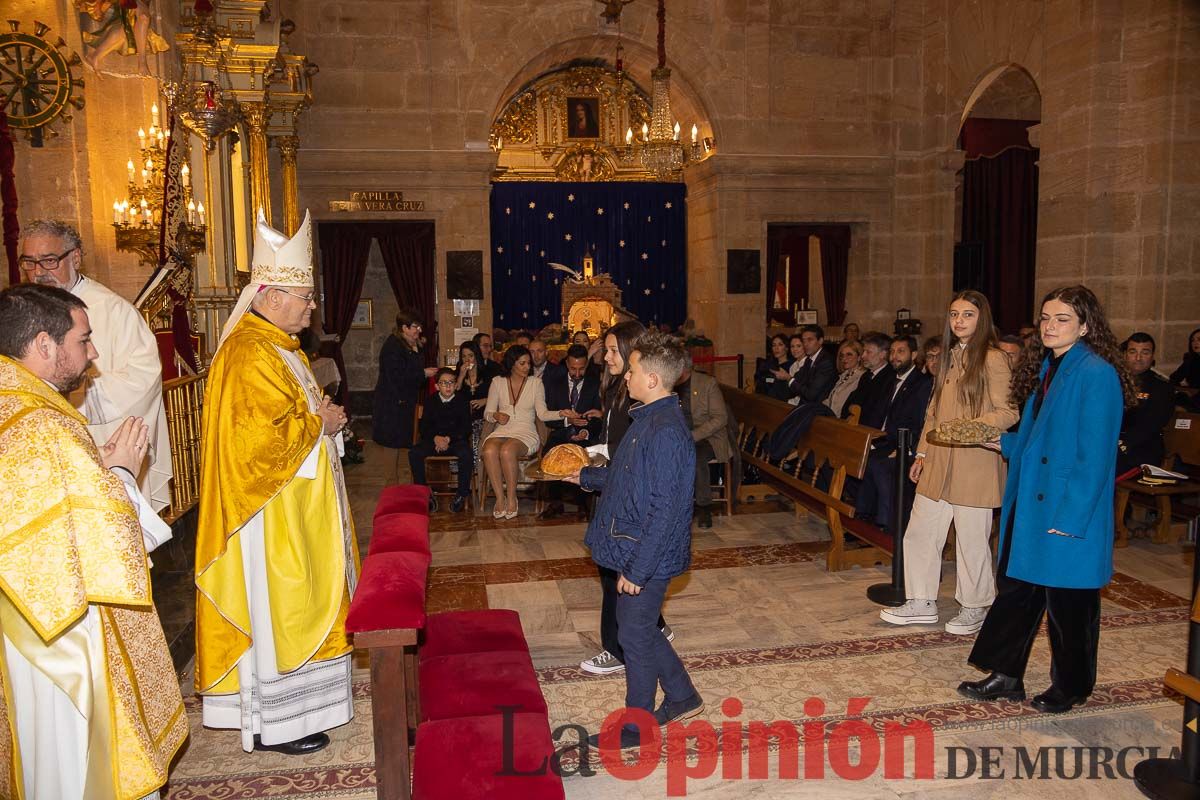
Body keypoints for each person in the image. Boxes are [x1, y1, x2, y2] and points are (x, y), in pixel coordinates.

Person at [0, 284, 186, 800]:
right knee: (73, 752)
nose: (94, 353)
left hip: (21, 624)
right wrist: (123, 474)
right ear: (43, 345)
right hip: (55, 634)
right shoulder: (41, 422)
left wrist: (94, 468)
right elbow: (98, 540)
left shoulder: (14, 403)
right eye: (83, 340)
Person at [195, 211, 357, 756]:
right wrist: (322, 422)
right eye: (305, 297)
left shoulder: (278, 345)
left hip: (294, 503)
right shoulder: (248, 352)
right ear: (270, 293)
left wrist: (319, 415)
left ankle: (293, 711)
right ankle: (274, 721)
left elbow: (291, 413)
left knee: (297, 600)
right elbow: (254, 444)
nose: (312, 307)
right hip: (267, 513)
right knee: (276, 607)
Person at [959, 286, 1135, 713]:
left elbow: (1094, 456)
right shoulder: (1050, 370)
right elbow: (1039, 440)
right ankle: (1005, 675)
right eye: (1045, 318)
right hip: (1033, 504)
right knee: (1018, 592)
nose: (1050, 327)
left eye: (1062, 319)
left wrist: (1071, 519)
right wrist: (999, 441)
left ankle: (1071, 686)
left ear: (1086, 326)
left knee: (1069, 605)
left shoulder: (1096, 374)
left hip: (1066, 509)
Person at [566, 330, 703, 750]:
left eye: (634, 370)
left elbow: (666, 509)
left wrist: (638, 571)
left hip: (647, 552)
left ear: (654, 380)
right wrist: (584, 476)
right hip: (635, 543)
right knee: (638, 627)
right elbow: (626, 473)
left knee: (634, 635)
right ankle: (682, 695)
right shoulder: (648, 418)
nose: (626, 375)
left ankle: (636, 725)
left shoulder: (665, 432)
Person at [880, 290, 1018, 635]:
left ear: (981, 318)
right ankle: (922, 601)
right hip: (939, 458)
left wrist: (972, 429)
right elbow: (933, 411)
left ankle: (975, 605)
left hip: (975, 460)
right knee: (920, 532)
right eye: (954, 314)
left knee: (971, 539)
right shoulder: (948, 357)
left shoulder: (993, 358)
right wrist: (923, 452)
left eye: (967, 315)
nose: (959, 321)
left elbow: (1008, 410)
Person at [19, 219, 173, 511]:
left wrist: (74, 398)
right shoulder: (23, 311)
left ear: (75, 257)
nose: (38, 272)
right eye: (29, 262)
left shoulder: (113, 310)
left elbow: (144, 374)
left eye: (49, 261)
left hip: (103, 441)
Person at [580, 320, 673, 676]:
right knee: (619, 567)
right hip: (613, 481)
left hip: (625, 491)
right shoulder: (618, 389)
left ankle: (616, 649)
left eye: (613, 351)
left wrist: (598, 461)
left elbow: (636, 452)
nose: (606, 357)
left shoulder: (636, 396)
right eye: (606, 350)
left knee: (612, 571)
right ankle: (657, 624)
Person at [480, 344, 570, 519]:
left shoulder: (535, 383)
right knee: (489, 449)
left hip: (526, 432)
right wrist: (496, 415)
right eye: (522, 363)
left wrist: (561, 413)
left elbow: (542, 414)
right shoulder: (497, 382)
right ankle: (500, 498)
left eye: (528, 363)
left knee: (507, 450)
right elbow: (487, 413)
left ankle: (512, 498)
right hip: (502, 430)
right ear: (512, 363)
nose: (527, 367)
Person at [855, 335, 934, 530]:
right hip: (882, 439)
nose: (894, 357)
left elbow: (918, 423)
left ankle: (888, 527)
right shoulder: (890, 380)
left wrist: (903, 448)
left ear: (914, 355)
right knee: (857, 457)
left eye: (901, 352)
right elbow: (877, 413)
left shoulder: (922, 383)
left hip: (904, 444)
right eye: (892, 352)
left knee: (878, 465)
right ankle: (863, 520)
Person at [540, 344, 603, 520]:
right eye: (573, 369)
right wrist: (568, 423)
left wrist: (584, 431)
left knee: (584, 455)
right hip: (561, 433)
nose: (577, 373)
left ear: (586, 365)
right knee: (550, 453)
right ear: (567, 364)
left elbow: (599, 416)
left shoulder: (595, 384)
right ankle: (556, 503)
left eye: (581, 369)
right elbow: (549, 417)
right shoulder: (555, 384)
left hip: (586, 434)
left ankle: (583, 503)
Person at [676, 354, 732, 529]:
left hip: (708, 438)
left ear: (684, 367)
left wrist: (693, 435)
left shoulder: (707, 383)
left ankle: (704, 506)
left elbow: (720, 418)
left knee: (696, 456)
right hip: (680, 437)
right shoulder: (669, 385)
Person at [373, 309, 438, 458]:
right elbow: (396, 376)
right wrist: (423, 373)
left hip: (406, 401)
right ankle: (393, 482)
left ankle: (408, 480)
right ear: (404, 328)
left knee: (408, 441)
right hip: (392, 404)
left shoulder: (410, 343)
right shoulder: (393, 347)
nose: (420, 330)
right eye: (416, 327)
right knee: (391, 443)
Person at [410, 368, 474, 513]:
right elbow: (424, 426)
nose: (448, 386)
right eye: (444, 383)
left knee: (466, 454)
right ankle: (425, 493)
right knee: (414, 453)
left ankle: (461, 493)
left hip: (455, 440)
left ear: (456, 384)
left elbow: (465, 428)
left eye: (451, 382)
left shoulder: (462, 400)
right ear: (437, 386)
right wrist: (436, 438)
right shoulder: (430, 401)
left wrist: (447, 439)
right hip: (434, 440)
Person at [1117, 333, 1175, 475]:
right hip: (1113, 443)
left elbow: (1151, 424)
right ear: (1125, 354)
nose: (1138, 358)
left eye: (1145, 352)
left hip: (1140, 450)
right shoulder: (1113, 381)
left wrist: (1122, 444)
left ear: (1152, 356)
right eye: (1133, 352)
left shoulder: (1161, 387)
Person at [843, 331, 894, 425]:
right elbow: (851, 403)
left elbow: (877, 413)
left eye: (868, 352)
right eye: (863, 351)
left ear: (883, 354)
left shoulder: (891, 377)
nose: (863, 356)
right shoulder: (866, 376)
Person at [786, 325, 837, 405]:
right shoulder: (809, 359)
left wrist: (789, 379)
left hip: (816, 408)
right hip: (805, 404)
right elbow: (798, 380)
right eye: (804, 341)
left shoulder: (826, 362)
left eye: (810, 340)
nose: (805, 344)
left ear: (820, 341)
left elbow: (811, 394)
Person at [825, 339, 865, 418]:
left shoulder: (862, 377)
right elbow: (831, 400)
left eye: (849, 354)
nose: (844, 358)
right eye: (842, 355)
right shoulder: (843, 375)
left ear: (859, 357)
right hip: (832, 418)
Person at [755, 333, 794, 401]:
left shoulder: (792, 366)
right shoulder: (767, 365)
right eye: (774, 345)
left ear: (787, 348)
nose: (776, 348)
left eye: (780, 345)